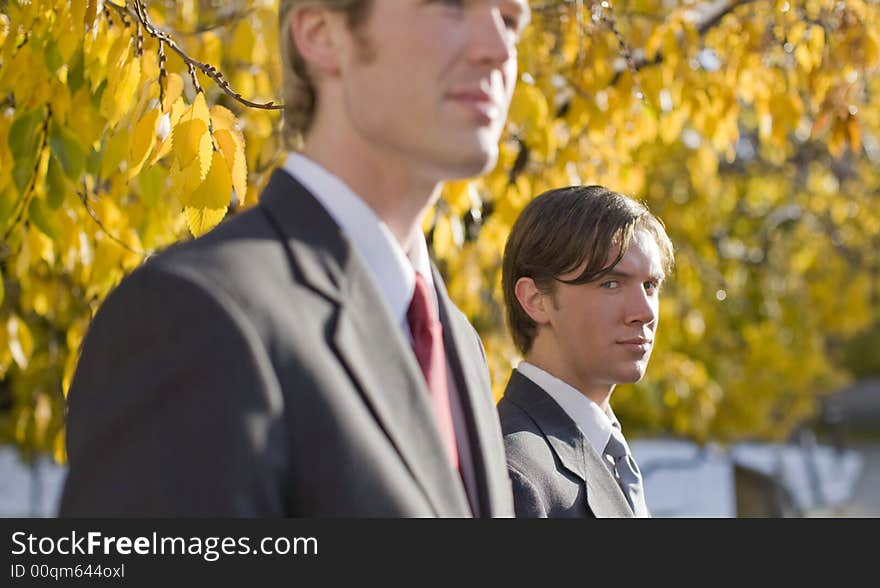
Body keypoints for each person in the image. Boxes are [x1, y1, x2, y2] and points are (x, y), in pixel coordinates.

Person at [60, 0, 531, 517]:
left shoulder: (457, 342)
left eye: (510, 19)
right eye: (450, 7)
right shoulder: (193, 317)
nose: (499, 49)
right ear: (321, 34)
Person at [497, 185, 674, 518]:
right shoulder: (515, 473)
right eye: (611, 283)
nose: (645, 311)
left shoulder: (608, 452)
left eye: (650, 285)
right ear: (536, 300)